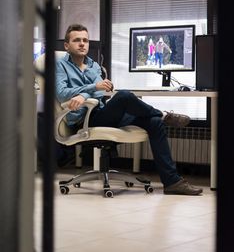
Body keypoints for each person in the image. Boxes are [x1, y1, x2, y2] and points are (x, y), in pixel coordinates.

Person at [55, 24, 203, 195]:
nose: (82, 44)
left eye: (85, 40)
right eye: (77, 40)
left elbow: (102, 92)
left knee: (154, 123)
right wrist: (92, 88)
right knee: (125, 96)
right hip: (84, 119)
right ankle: (163, 115)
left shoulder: (93, 65)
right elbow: (62, 93)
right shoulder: (60, 65)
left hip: (101, 112)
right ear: (67, 45)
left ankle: (172, 182)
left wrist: (86, 94)